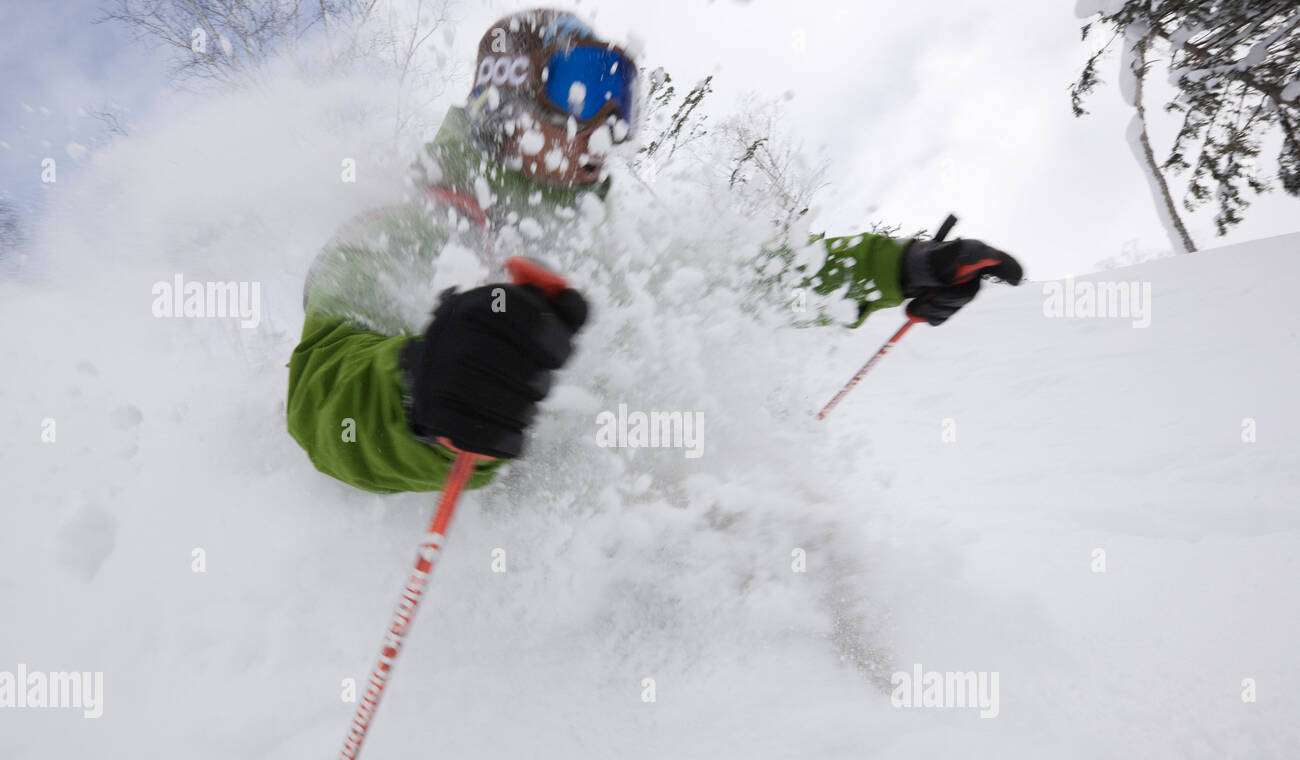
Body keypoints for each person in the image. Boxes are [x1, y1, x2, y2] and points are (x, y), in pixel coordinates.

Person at [286, 7, 1023, 493]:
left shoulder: (614, 251)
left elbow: (758, 281)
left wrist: (898, 268)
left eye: (624, 99)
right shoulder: (404, 231)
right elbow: (322, 397)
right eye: (584, 86)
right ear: (505, 103)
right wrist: (420, 394)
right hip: (490, 616)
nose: (607, 123)